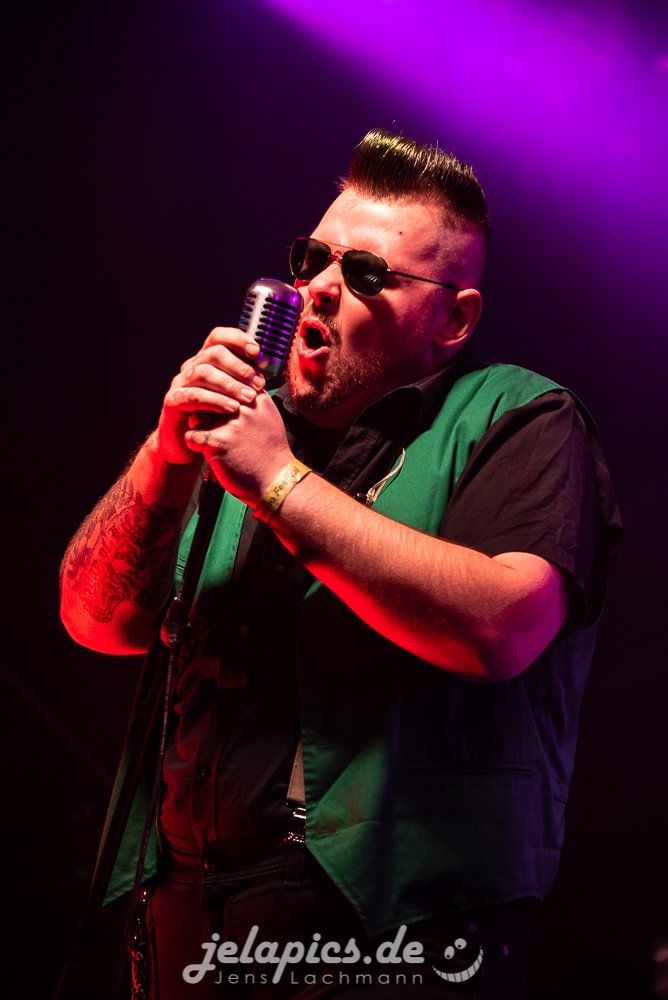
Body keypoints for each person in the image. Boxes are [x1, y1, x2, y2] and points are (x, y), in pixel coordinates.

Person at [60, 129, 621, 999]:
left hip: (389, 928)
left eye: (364, 274)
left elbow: (502, 627)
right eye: (312, 258)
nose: (319, 285)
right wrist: (165, 459)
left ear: (453, 319)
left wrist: (280, 483)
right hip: (185, 916)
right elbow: (93, 618)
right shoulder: (244, 430)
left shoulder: (519, 416)